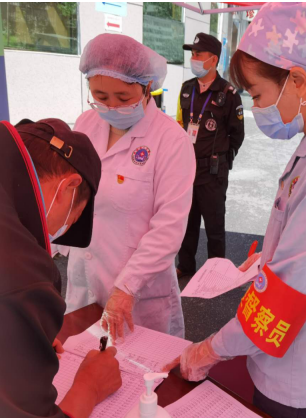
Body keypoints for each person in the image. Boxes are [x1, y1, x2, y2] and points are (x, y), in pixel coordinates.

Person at [165, 4, 306, 418]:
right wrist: (271, 256)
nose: (258, 108)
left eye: (258, 95)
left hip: (300, 377)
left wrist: (208, 350)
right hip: (300, 360)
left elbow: (285, 298)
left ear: (298, 81)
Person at [65, 34, 195, 342]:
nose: (111, 106)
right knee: (82, 359)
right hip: (84, 279)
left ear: (147, 86)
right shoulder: (85, 124)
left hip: (140, 293)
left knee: (139, 366)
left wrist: (126, 288)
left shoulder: (171, 141)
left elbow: (168, 229)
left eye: (123, 98)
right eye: (100, 95)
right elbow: (70, 196)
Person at [0, 118, 121, 418]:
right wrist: (90, 386)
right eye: (74, 217)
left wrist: (20, 334)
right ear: (68, 186)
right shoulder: (22, 274)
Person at [176, 33, 245, 278]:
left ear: (213, 60)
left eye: (198, 54)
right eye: (192, 54)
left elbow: (237, 135)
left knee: (215, 225)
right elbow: (180, 125)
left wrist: (223, 158)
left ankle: (216, 272)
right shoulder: (187, 89)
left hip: (213, 172)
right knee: (187, 222)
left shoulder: (228, 94)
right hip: (187, 170)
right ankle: (185, 266)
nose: (193, 59)